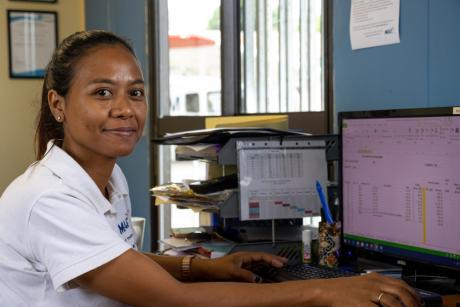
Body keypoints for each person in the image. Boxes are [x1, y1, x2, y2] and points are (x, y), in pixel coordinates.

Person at [0, 30, 421, 307]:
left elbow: (118, 258)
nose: (124, 109)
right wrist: (324, 290)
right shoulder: (50, 197)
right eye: (102, 92)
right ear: (59, 104)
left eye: (136, 92)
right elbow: (171, 299)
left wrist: (202, 267)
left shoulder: (105, 175)